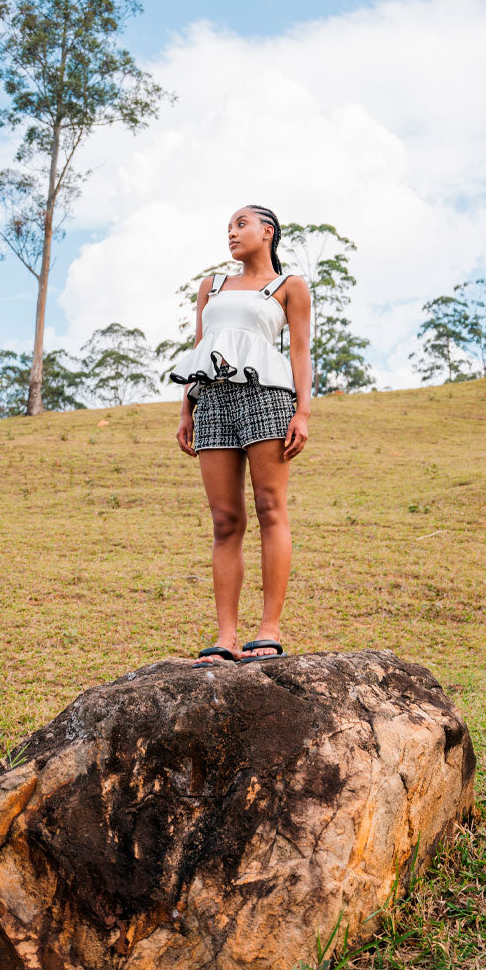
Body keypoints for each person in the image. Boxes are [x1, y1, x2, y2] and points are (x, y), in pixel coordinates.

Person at [169, 205, 312, 666]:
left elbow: (301, 352)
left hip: (267, 397)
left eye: (240, 224)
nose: (231, 233)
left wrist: (303, 412)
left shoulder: (290, 286)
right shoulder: (211, 286)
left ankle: (268, 629)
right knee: (225, 521)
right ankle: (226, 636)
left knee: (271, 508)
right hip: (212, 399)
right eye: (228, 227)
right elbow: (200, 348)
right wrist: (187, 406)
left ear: (267, 232)